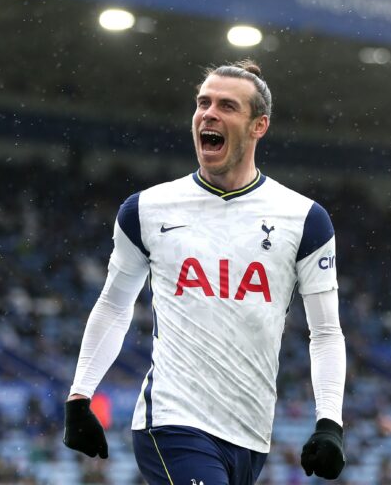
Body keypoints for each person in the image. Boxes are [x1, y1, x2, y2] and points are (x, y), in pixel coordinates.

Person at [64, 60, 347, 484]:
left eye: (227, 106)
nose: (208, 114)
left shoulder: (305, 219)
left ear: (259, 126)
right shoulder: (147, 210)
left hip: (250, 434)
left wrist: (330, 422)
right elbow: (114, 305)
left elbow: (325, 332)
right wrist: (79, 396)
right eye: (203, 103)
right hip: (173, 421)